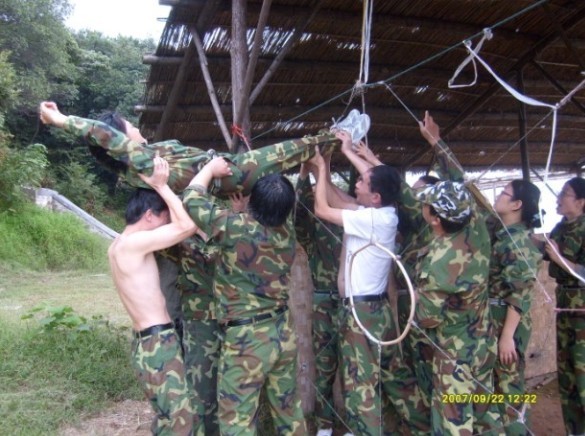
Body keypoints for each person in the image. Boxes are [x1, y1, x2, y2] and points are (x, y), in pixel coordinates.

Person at [308, 132, 429, 436]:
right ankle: (425, 427)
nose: (356, 184)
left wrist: (321, 169)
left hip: (361, 314)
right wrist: (339, 157)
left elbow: (322, 209)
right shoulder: (381, 213)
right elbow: (339, 197)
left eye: (362, 182)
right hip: (376, 311)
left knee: (360, 387)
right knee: (396, 378)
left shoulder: (372, 219)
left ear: (375, 196)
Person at [182, 158, 307, 435]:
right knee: (289, 412)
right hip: (282, 333)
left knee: (236, 420)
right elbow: (256, 228)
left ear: (254, 204)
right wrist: (242, 212)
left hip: (247, 340)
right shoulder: (287, 232)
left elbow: (191, 198)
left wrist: (210, 169)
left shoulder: (233, 228)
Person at [38, 101, 345, 197]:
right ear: (122, 138)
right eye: (128, 125)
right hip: (231, 174)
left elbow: (106, 146)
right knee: (287, 151)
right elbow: (104, 137)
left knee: (288, 154)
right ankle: (337, 136)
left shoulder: (147, 155)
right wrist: (61, 120)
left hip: (224, 169)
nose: (134, 126)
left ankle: (331, 137)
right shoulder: (141, 164)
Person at [107, 156, 198, 435]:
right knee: (181, 420)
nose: (165, 225)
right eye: (163, 219)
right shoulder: (135, 243)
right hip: (158, 342)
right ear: (149, 215)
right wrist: (162, 187)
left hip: (146, 341)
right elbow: (187, 227)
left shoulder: (118, 244)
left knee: (166, 417)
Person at [489, 180, 543, 435]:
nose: (498, 196)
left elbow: (519, 294)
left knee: (509, 388)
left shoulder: (518, 241)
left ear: (517, 204)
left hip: (507, 320)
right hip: (496, 316)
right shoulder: (503, 235)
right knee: (498, 387)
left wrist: (507, 336)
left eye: (504, 193)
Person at [294, 162, 343, 435]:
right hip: (325, 303)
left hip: (354, 304)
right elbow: (298, 214)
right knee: (324, 366)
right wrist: (303, 176)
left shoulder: (354, 221)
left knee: (358, 367)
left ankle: (358, 422)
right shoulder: (314, 231)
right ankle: (325, 424)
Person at [544, 177, 585, 435]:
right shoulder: (560, 227)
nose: (559, 198)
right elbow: (546, 250)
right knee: (567, 375)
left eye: (566, 194)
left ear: (581, 202)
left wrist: (559, 259)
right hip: (565, 309)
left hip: (582, 313)